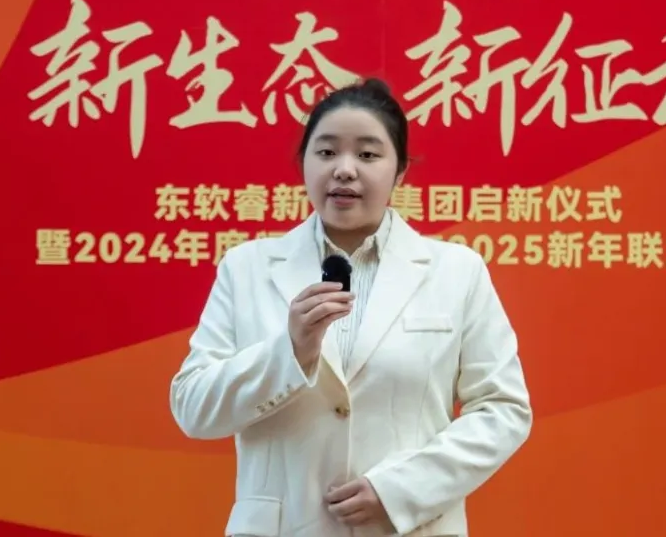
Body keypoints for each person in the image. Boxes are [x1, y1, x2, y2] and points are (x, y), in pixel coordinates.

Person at [169, 78, 532, 537]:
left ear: (399, 171)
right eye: (326, 152)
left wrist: (401, 492)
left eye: (367, 154)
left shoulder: (456, 272)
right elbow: (194, 408)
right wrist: (291, 351)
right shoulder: (247, 268)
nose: (344, 170)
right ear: (304, 162)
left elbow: (502, 408)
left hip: (408, 528)